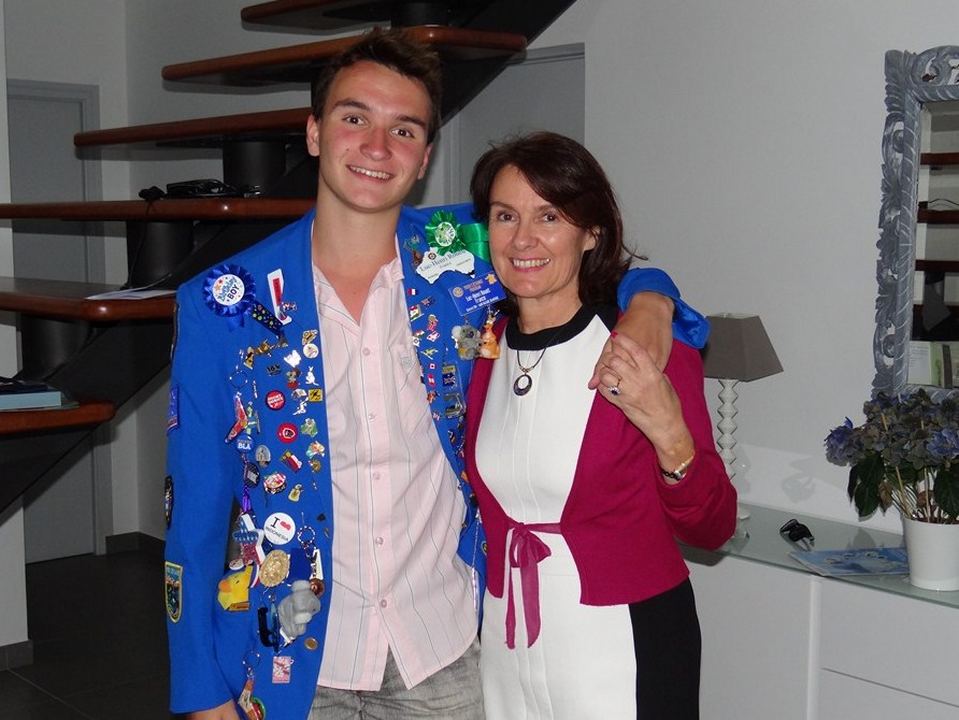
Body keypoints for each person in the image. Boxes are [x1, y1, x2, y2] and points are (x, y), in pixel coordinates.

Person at [164, 29, 708, 720]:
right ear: (313, 132)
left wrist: (652, 300)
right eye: (354, 118)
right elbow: (195, 512)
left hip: (445, 653)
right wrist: (202, 689)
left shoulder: (465, 258)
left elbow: (585, 252)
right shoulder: (225, 303)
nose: (377, 146)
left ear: (424, 157)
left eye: (404, 129)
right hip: (291, 662)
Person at [465, 132, 738, 720]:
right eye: (506, 216)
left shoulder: (645, 349)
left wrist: (671, 435)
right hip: (509, 640)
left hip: (623, 642)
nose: (523, 239)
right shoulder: (482, 346)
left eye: (550, 216)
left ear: (592, 231)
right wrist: (655, 290)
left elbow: (714, 526)